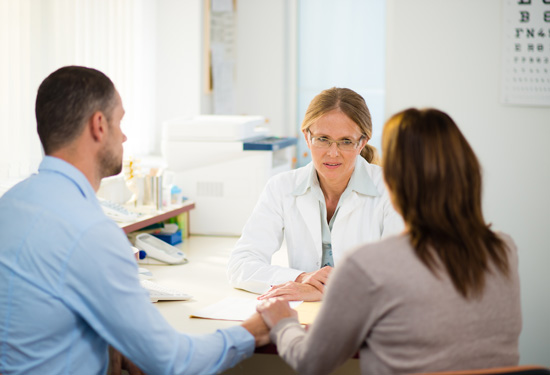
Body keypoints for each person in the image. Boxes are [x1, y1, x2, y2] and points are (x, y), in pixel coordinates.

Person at [0, 66, 269, 375]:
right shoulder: (91, 232)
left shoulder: (10, 205)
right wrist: (255, 329)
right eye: (120, 121)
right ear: (99, 125)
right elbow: (174, 362)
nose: (124, 135)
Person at [256, 108, 522, 375]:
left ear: (391, 182)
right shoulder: (503, 248)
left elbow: (310, 362)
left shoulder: (370, 265)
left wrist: (283, 323)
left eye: (346, 141)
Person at [227, 87, 404, 301]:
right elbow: (241, 264)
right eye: (322, 139)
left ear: (362, 142)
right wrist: (301, 278)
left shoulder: (392, 189)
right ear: (307, 137)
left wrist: (325, 291)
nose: (332, 152)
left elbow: (399, 276)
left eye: (346, 141)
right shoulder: (281, 187)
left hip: (367, 317)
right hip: (303, 311)